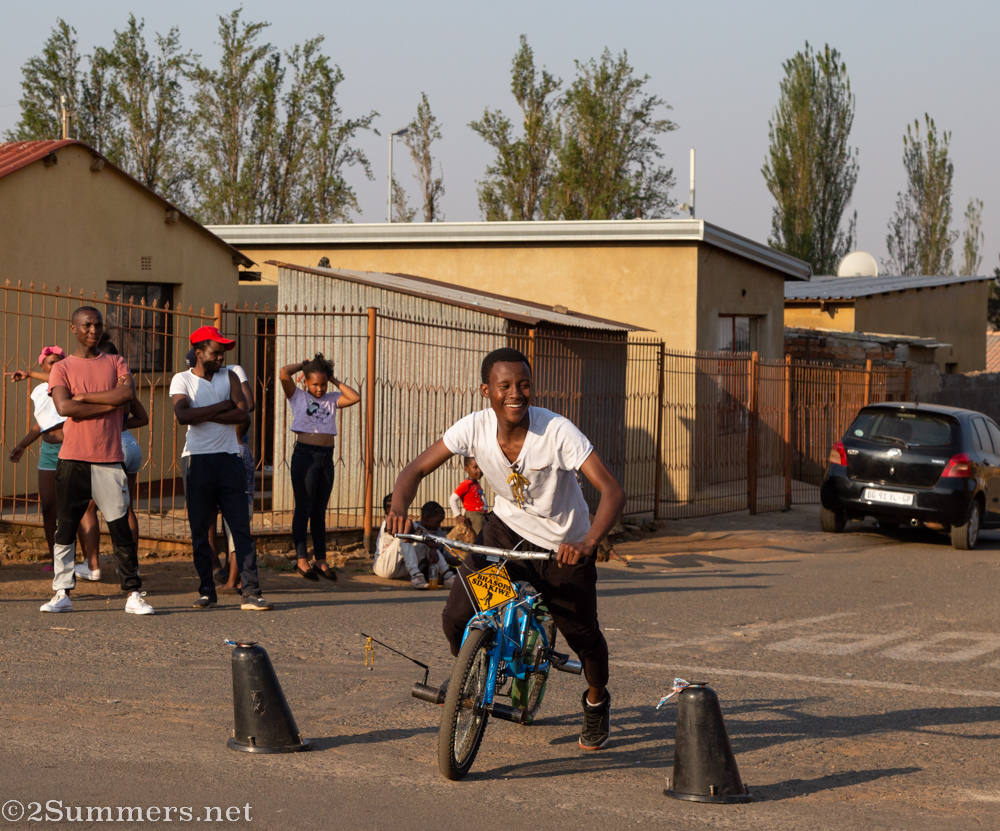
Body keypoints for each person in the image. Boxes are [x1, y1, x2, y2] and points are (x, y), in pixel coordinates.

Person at [386, 347, 625, 750]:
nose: (516, 393)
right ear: (486, 391)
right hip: (505, 535)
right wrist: (397, 508)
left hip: (562, 547)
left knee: (584, 638)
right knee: (458, 615)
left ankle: (597, 701)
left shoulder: (556, 432)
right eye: (505, 386)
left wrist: (586, 544)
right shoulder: (474, 428)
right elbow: (415, 469)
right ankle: (474, 668)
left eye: (524, 384)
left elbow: (612, 492)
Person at [41, 307, 153, 615]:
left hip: (109, 458)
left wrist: (85, 399)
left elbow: (127, 393)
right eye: (87, 325)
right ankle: (61, 592)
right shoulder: (61, 367)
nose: (93, 330)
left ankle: (132, 593)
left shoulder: (115, 361)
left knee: (119, 528)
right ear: (74, 328)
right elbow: (64, 407)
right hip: (72, 460)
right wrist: (108, 402)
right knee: (65, 529)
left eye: (98, 325)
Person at [170, 325, 271, 611]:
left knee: (240, 527)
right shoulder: (181, 380)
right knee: (201, 529)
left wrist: (208, 412)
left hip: (229, 458)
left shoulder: (230, 375)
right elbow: (182, 415)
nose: (222, 357)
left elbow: (243, 412)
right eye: (216, 352)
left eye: (224, 352)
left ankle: (251, 591)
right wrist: (223, 405)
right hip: (197, 459)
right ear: (199, 352)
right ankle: (206, 591)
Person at [8, 346, 100, 574]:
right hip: (48, 453)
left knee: (77, 507)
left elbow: (55, 379)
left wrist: (28, 374)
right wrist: (21, 445)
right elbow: (40, 424)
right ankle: (56, 559)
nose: (55, 366)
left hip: (70, 448)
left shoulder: (68, 385)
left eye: (59, 362)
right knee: (49, 509)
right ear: (42, 365)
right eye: (50, 362)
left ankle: (88, 561)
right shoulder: (38, 392)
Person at [73, 335, 150, 580]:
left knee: (88, 508)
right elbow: (143, 418)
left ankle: (92, 564)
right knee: (126, 508)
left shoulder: (100, 386)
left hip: (110, 446)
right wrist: (123, 423)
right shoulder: (125, 387)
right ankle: (130, 566)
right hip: (130, 444)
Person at [279, 354, 360, 581]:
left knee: (319, 512)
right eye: (314, 384)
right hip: (305, 456)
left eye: (322, 384)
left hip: (326, 458)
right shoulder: (297, 397)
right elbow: (283, 373)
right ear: (305, 382)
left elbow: (355, 397)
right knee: (303, 509)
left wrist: (333, 380)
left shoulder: (332, 398)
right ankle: (302, 561)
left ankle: (321, 561)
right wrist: (303, 366)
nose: (319, 388)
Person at [373, 496, 455, 590]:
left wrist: (432, 547)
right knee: (403, 537)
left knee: (424, 541)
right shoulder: (387, 523)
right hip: (383, 567)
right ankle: (416, 577)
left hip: (401, 568)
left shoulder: (408, 522)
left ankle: (448, 577)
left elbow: (428, 536)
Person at [448, 456, 488, 535]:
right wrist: (458, 515)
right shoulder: (466, 484)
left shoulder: (475, 483)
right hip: (474, 516)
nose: (479, 470)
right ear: (466, 469)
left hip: (481, 515)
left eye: (481, 466)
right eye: (475, 467)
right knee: (480, 536)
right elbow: (452, 499)